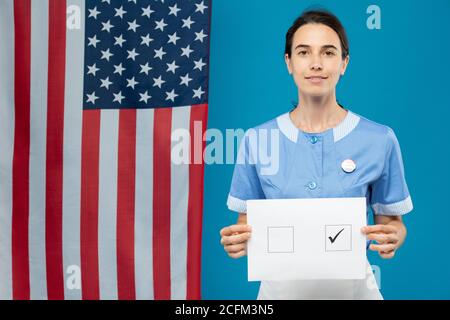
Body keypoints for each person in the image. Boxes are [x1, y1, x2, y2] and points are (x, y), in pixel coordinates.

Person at [220, 9, 413, 299]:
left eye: (328, 52)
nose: (315, 64)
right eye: (303, 52)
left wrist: (394, 237)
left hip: (354, 292)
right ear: (288, 62)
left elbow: (391, 224)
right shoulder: (257, 140)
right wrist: (238, 239)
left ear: (344, 62)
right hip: (278, 293)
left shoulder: (379, 139)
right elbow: (245, 222)